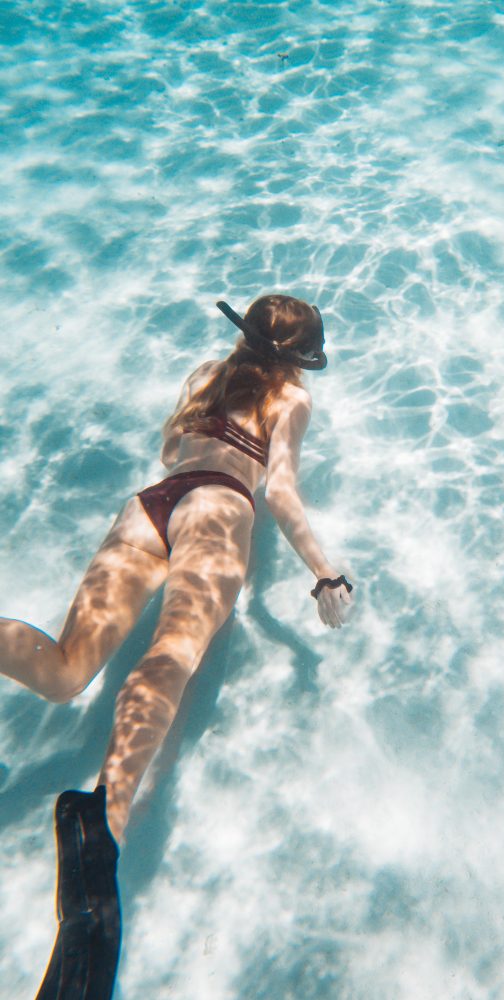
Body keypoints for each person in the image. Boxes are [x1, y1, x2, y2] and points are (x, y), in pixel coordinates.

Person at [0, 295, 354, 999]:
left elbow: (171, 450)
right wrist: (326, 573)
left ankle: (97, 831)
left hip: (149, 505)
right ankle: (101, 839)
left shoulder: (204, 373)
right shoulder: (292, 399)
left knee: (68, 672)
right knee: (171, 657)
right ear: (300, 360)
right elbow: (279, 489)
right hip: (221, 507)